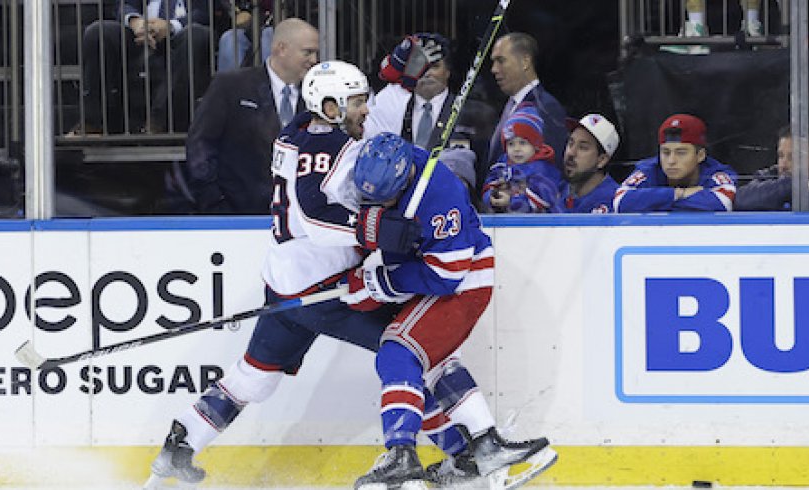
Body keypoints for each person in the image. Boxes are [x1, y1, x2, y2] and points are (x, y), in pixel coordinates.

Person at [143, 61, 549, 490]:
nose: (365, 110)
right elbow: (315, 217)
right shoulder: (330, 147)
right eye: (357, 102)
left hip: (284, 282)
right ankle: (467, 457)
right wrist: (375, 229)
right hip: (324, 288)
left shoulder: (295, 131)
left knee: (255, 376)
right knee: (413, 355)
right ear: (330, 105)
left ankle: (182, 442)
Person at [346, 132, 557, 489]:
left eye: (389, 199)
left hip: (464, 282)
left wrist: (382, 281)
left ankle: (401, 456)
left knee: (397, 353)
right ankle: (483, 448)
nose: (382, 204)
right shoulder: (384, 172)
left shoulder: (441, 195)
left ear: (405, 179)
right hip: (436, 277)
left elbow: (447, 275)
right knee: (435, 366)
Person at [180, 17, 318, 215]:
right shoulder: (231, 85)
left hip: (298, 221)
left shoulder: (315, 96)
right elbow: (200, 144)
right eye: (308, 52)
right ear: (281, 48)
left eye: (315, 53)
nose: (314, 60)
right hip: (237, 215)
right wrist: (214, 202)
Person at [70, 0, 212, 135]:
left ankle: (160, 122)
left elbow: (206, 10)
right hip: (138, 34)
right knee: (99, 31)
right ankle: (92, 123)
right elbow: (123, 4)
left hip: (182, 33)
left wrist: (170, 26)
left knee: (196, 35)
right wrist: (135, 21)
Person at [365, 33, 494, 165]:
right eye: (419, 67)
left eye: (434, 66)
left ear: (448, 71)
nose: (427, 73)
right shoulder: (393, 106)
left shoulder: (472, 113)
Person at [613, 113, 738, 212]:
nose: (671, 161)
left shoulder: (715, 172)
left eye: (681, 153)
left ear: (700, 156)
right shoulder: (650, 169)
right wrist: (677, 194)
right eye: (666, 152)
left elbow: (723, 201)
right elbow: (620, 201)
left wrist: (651, 202)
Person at [488, 32, 567, 178]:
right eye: (493, 62)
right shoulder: (511, 104)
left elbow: (552, 169)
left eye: (501, 60)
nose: (494, 69)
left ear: (525, 62)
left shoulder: (546, 107)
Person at [480, 104, 564, 213]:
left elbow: (543, 199)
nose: (516, 149)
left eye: (522, 143)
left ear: (536, 145)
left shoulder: (543, 169)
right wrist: (491, 197)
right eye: (511, 144)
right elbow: (490, 183)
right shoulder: (502, 165)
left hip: (537, 225)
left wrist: (511, 201)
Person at [735, 125, 809, 211]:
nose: (783, 165)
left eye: (792, 157)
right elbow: (741, 200)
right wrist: (793, 185)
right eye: (781, 156)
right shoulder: (769, 176)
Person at [560, 114, 621, 213]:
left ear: (602, 160)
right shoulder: (555, 190)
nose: (571, 153)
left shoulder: (615, 203)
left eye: (583, 147)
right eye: (570, 143)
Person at [217, 0, 274, 72]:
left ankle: (268, 82)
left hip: (282, 25)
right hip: (253, 25)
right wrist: (238, 13)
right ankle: (232, 82)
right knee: (229, 38)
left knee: (268, 34)